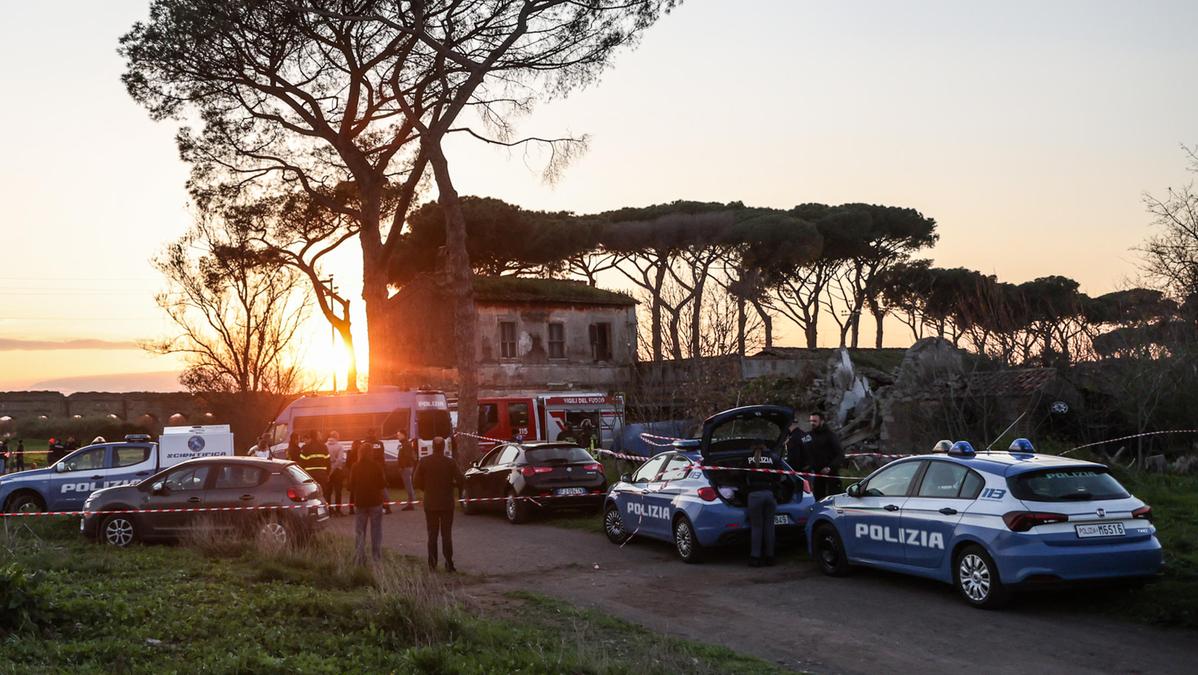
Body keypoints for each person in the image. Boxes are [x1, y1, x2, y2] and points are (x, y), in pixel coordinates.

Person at [412, 436, 463, 572]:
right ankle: (449, 563)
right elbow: (460, 479)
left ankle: (432, 564)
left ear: (433, 447)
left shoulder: (424, 462)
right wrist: (453, 485)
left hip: (430, 503)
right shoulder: (450, 462)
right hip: (446, 503)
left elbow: (415, 481)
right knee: (446, 535)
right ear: (444, 447)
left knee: (432, 534)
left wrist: (426, 488)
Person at [788, 412, 844, 500]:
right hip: (815, 474)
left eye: (815, 421)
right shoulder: (808, 435)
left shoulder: (830, 436)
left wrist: (830, 467)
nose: (812, 423)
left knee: (834, 498)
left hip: (830, 474)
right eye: (811, 421)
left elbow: (840, 454)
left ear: (822, 421)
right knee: (818, 498)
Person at [348, 438, 387, 565]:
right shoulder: (376, 466)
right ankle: (376, 557)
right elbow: (382, 484)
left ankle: (359, 558)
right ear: (371, 453)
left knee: (360, 531)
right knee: (376, 531)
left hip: (360, 502)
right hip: (375, 502)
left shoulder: (355, 466)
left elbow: (350, 485)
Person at [746, 443, 778, 567]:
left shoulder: (748, 458)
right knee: (770, 527)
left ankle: (755, 557)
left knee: (757, 527)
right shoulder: (771, 457)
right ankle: (770, 557)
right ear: (764, 447)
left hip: (755, 495)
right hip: (769, 494)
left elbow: (739, 475)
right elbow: (779, 475)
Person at [362, 430, 392, 514]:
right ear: (375, 434)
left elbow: (362, 457)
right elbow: (382, 456)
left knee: (368, 488)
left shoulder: (364, 444)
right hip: (380, 468)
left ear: (367, 434)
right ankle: (387, 507)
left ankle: (370, 508)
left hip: (368, 469)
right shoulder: (379, 443)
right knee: (382, 487)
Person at [298, 432, 331, 497]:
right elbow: (328, 461)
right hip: (322, 474)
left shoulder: (306, 447)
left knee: (311, 494)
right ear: (317, 436)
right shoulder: (323, 447)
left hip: (310, 474)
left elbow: (302, 463)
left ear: (311, 437)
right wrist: (327, 474)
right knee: (323, 493)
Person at [327, 431, 348, 515]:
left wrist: (330, 470)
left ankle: (329, 509)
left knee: (328, 491)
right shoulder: (339, 446)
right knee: (338, 491)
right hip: (337, 471)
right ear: (337, 437)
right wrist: (334, 467)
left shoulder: (325, 445)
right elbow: (339, 460)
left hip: (328, 470)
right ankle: (338, 510)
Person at [396, 429, 417, 511]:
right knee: (408, 485)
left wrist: (402, 467)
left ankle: (411, 504)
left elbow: (407, 457)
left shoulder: (406, 444)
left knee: (408, 486)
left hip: (406, 468)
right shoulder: (404, 444)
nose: (397, 436)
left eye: (399, 435)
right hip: (406, 467)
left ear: (403, 435)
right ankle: (411, 503)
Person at [345, 440, 362, 515]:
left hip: (352, 473)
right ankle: (360, 507)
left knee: (352, 493)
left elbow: (347, 463)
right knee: (360, 492)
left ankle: (351, 509)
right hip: (360, 474)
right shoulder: (360, 453)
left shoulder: (349, 452)